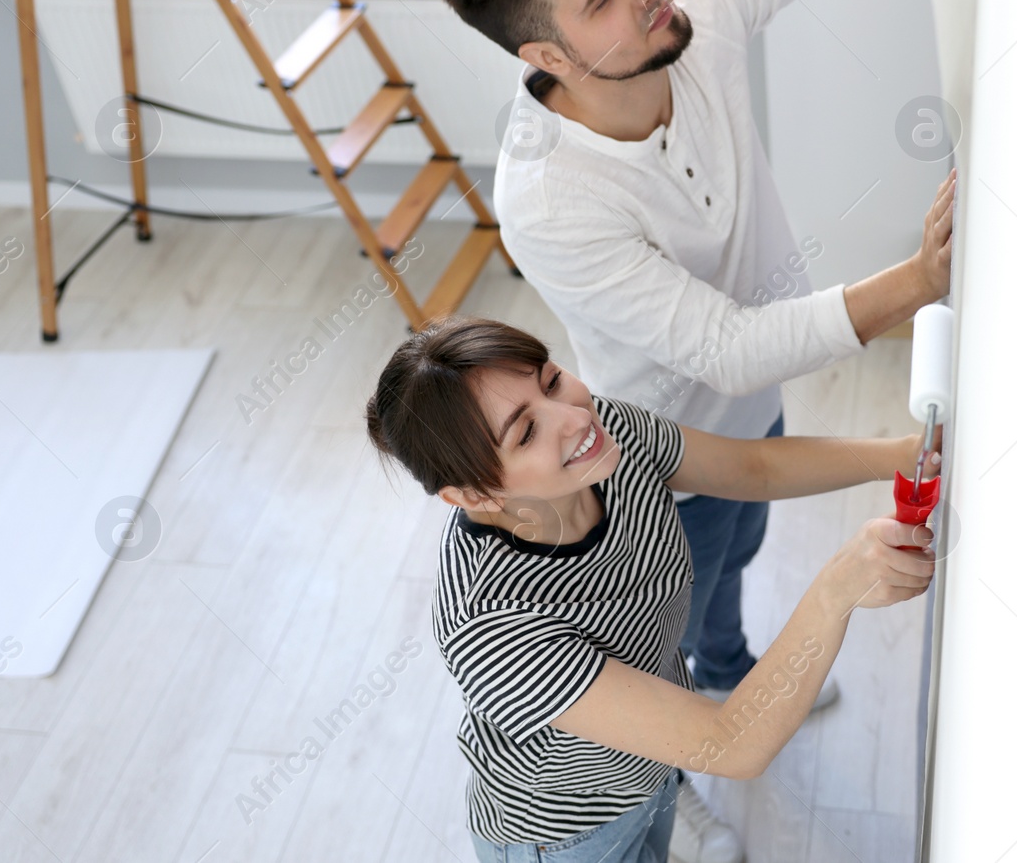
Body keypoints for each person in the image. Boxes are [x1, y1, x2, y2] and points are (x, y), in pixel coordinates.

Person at [438, 0, 952, 857]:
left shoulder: (680, 20)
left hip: (740, 418)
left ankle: (726, 660)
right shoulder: (547, 199)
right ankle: (673, 761)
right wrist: (918, 282)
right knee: (666, 612)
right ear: (546, 57)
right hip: (650, 457)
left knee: (739, 556)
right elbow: (722, 348)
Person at [364, 316, 939, 863]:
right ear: (473, 497)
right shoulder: (493, 626)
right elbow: (731, 744)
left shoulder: (605, 438)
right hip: (565, 833)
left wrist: (904, 454)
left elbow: (754, 467)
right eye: (528, 431)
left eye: (552, 380)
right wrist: (837, 589)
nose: (572, 415)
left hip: (649, 769)